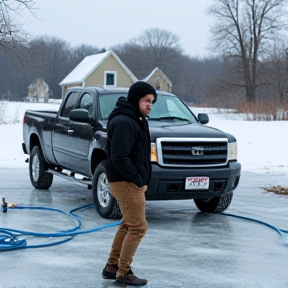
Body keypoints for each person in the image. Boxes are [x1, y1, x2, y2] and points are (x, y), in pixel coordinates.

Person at [102, 81, 157, 286]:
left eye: (152, 101)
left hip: (127, 180)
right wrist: (137, 178)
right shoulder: (126, 122)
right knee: (138, 227)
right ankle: (123, 273)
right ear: (136, 100)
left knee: (128, 224)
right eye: (146, 101)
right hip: (125, 180)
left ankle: (112, 266)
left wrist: (143, 177)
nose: (149, 105)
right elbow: (119, 157)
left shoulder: (136, 119)